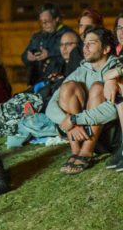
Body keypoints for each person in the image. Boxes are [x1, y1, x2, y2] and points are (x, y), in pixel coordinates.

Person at [45, 26, 120, 173]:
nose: (85, 48)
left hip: (109, 136)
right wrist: (72, 124)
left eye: (91, 43)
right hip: (81, 133)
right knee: (68, 86)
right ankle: (76, 151)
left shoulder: (116, 68)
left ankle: (86, 152)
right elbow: (50, 106)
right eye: (84, 43)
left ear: (105, 49)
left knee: (98, 87)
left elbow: (113, 111)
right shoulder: (82, 70)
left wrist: (75, 119)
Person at [22, 3, 76, 86]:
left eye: (47, 21)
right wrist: (28, 57)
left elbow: (74, 55)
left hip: (59, 81)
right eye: (41, 22)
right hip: (37, 82)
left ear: (57, 19)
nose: (44, 25)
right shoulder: (37, 37)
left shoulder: (68, 34)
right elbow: (24, 56)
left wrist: (49, 53)